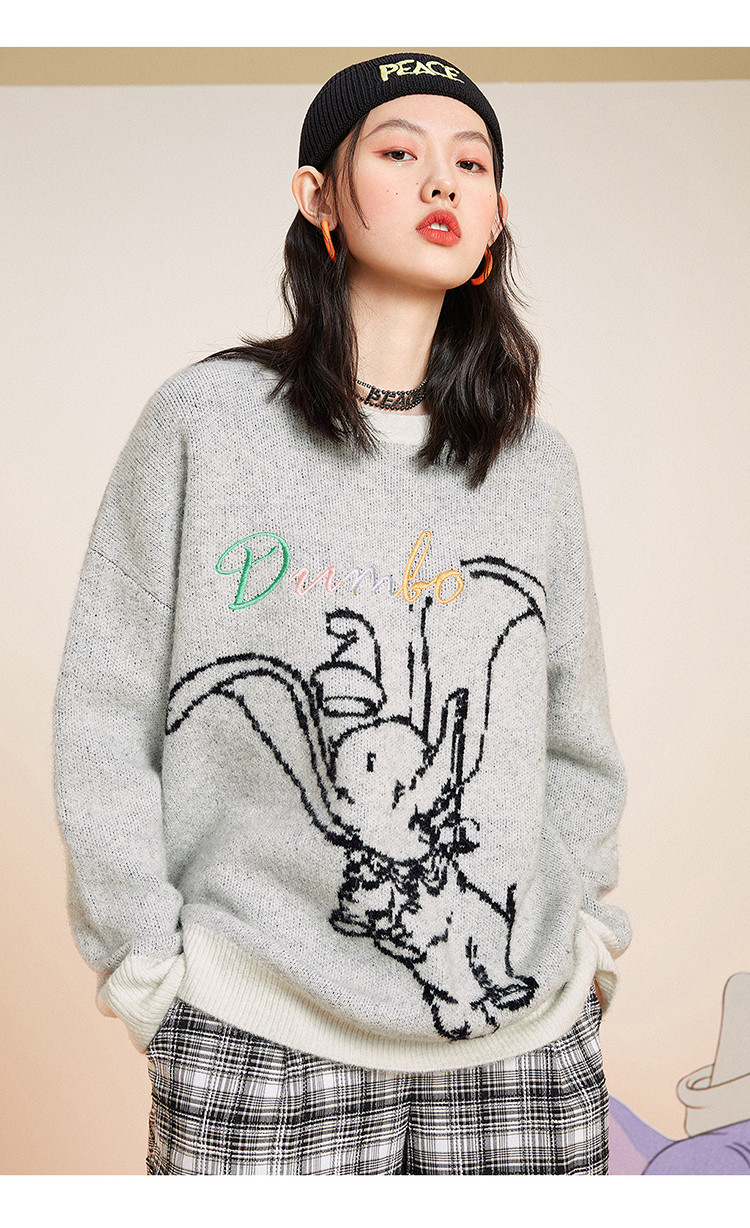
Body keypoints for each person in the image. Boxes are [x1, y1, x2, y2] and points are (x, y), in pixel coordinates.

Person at [53, 51, 631, 1176]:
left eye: (471, 164)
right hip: (260, 1040)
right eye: (399, 153)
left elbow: (574, 733)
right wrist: (147, 970)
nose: (441, 182)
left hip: (522, 1053)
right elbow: (104, 709)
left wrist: (589, 946)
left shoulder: (533, 465)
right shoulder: (205, 422)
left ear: (495, 217)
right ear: (317, 195)